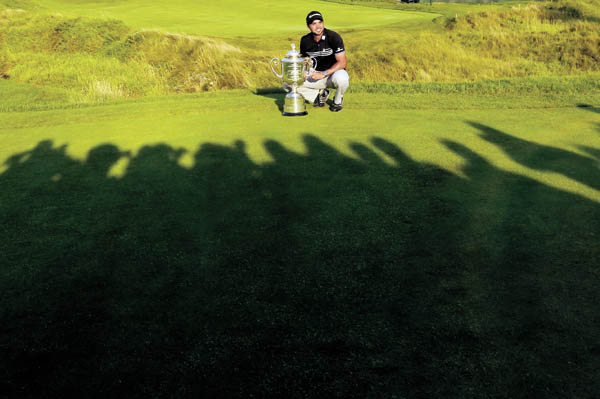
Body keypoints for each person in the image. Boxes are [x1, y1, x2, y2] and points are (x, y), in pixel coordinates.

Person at [298, 11, 349, 112]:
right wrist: (303, 71)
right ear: (308, 26)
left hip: (332, 75)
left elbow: (342, 62)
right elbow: (304, 61)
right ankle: (319, 95)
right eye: (314, 23)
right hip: (314, 75)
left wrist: (324, 73)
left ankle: (337, 101)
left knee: (342, 78)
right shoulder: (305, 40)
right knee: (289, 84)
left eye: (320, 22)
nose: (318, 26)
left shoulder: (333, 37)